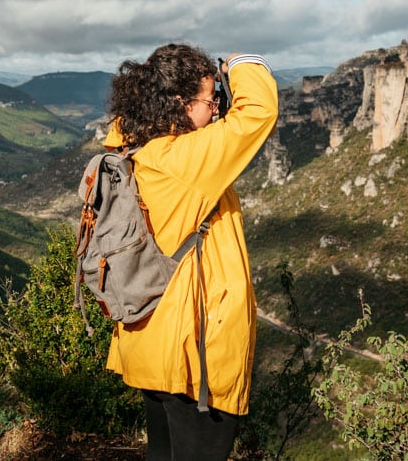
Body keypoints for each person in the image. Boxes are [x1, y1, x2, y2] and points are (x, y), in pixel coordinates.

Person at [103, 43, 279, 460]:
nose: (218, 108)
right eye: (211, 98)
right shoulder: (182, 160)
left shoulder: (133, 144)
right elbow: (258, 113)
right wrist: (239, 62)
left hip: (150, 338)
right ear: (180, 104)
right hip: (191, 356)